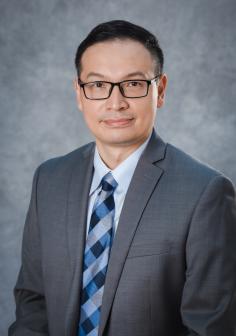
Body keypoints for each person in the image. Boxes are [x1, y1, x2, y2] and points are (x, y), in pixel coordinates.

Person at [9, 20, 236, 336]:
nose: (115, 103)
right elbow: (34, 302)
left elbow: (209, 328)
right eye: (98, 85)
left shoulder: (205, 193)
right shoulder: (49, 180)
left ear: (160, 90)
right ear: (79, 93)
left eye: (133, 84)